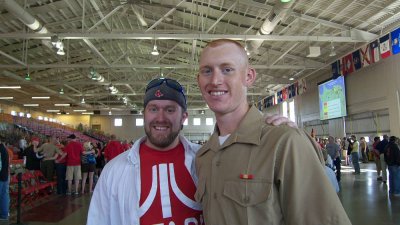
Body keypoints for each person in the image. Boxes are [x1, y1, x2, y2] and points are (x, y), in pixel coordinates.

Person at [87, 77, 295, 225]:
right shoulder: (114, 171)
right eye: (153, 109)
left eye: (170, 109)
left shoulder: (209, 158)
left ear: (184, 116)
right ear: (144, 114)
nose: (160, 118)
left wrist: (282, 132)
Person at [195, 39, 351, 225]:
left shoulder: (284, 142)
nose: (215, 80)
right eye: (207, 71)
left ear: (249, 76)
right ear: (198, 80)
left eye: (227, 69)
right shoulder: (204, 156)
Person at [0, 137, 10, 222]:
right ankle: (4, 214)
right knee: (4, 196)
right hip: (5, 176)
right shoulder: (4, 149)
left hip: (0, 176)